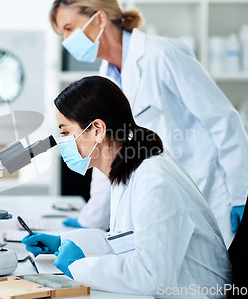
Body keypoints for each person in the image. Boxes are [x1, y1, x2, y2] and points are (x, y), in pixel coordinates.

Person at [50, 0, 248, 246]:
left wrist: (243, 194)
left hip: (209, 191)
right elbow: (106, 153)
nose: (67, 41)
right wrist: (90, 220)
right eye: (62, 34)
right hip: (161, 201)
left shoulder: (163, 54)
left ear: (99, 18)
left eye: (69, 29)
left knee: (222, 278)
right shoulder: (106, 79)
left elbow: (222, 120)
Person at [23, 76, 231, 295]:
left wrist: (78, 267)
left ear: (97, 130)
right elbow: (123, 242)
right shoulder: (129, 169)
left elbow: (151, 275)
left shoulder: (153, 181)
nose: (62, 141)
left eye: (65, 132)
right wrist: (62, 241)